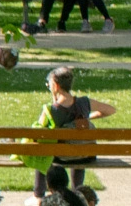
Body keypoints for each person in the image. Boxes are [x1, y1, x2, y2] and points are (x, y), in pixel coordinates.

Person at [33, 67, 114, 197]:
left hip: (61, 157)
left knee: (42, 151)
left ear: (56, 85)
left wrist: (54, 101)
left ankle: (38, 194)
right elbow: (110, 110)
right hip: (85, 156)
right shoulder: (85, 103)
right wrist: (87, 118)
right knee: (79, 148)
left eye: (50, 84)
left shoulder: (50, 110)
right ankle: (77, 191)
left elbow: (38, 134)